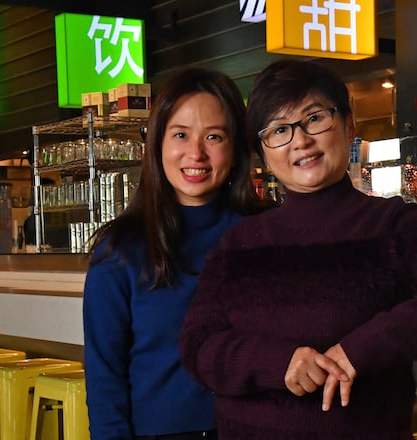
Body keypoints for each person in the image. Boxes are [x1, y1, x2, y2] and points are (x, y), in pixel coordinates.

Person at [179, 60, 417, 439]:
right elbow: (198, 344)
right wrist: (278, 362)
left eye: (315, 118)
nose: (300, 141)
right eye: (280, 130)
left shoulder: (392, 226)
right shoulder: (240, 243)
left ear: (349, 125)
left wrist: (363, 348)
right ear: (263, 152)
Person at [83, 66, 268, 439]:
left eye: (214, 136)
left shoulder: (265, 235)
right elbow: (105, 378)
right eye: (180, 134)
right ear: (158, 144)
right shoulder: (119, 250)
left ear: (236, 148)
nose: (195, 153)